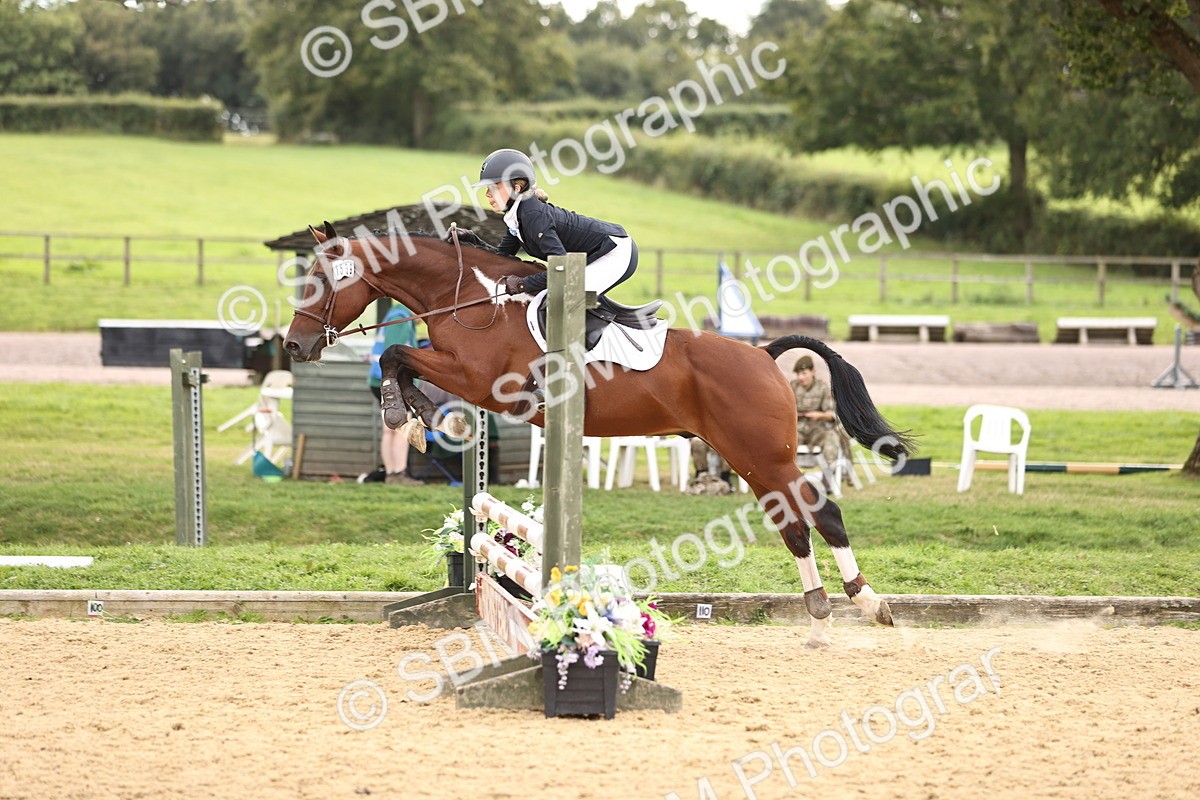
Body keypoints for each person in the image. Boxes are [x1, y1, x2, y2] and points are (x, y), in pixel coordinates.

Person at [473, 148, 638, 301]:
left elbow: (562, 268)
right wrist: (474, 242)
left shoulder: (533, 217)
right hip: (592, 256)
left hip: (614, 252)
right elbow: (502, 258)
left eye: (494, 187)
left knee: (571, 302)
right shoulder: (518, 216)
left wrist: (523, 284)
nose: (487, 194)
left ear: (516, 189)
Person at [367, 302, 422, 486]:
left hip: (380, 380)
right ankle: (399, 473)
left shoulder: (395, 314)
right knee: (402, 428)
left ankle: (391, 474)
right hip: (392, 381)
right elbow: (393, 353)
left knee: (389, 429)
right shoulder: (401, 319)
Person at [790, 355, 845, 480]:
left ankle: (828, 478)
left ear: (813, 371)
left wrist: (820, 415)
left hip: (817, 429)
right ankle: (791, 478)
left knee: (831, 437)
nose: (800, 377)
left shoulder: (822, 388)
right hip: (796, 430)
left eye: (804, 373)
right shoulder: (791, 387)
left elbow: (832, 414)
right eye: (798, 374)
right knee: (785, 442)